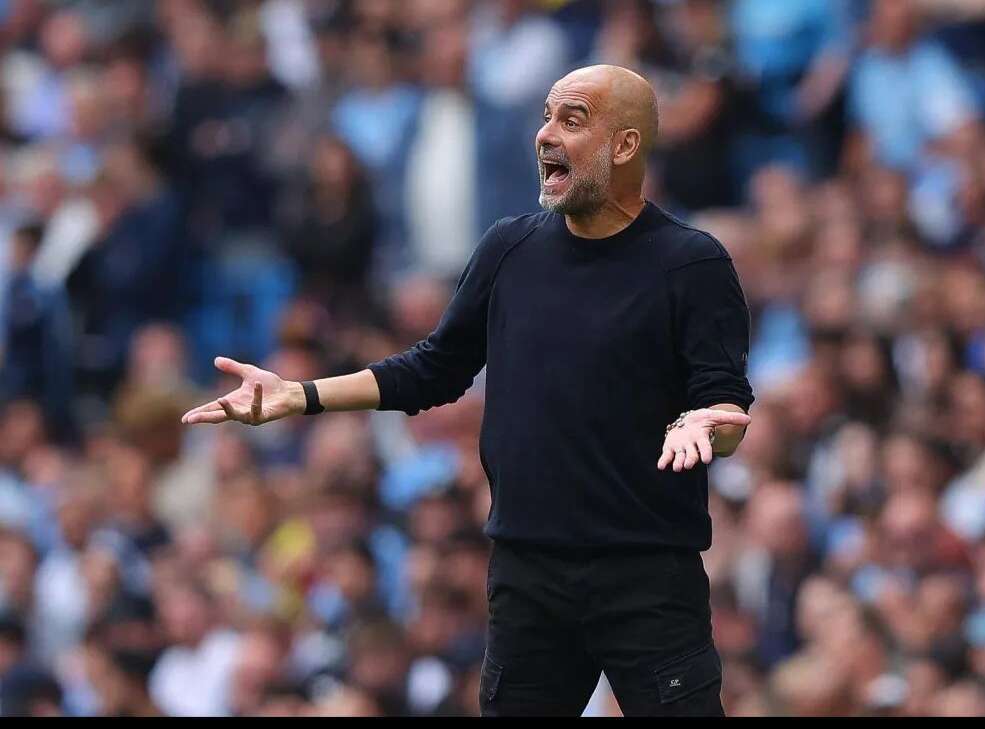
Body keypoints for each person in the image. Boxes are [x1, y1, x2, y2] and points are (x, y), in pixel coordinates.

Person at [181, 65, 754, 717]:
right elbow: (435, 368)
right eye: (545, 117)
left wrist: (704, 423)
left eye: (571, 121)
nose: (545, 135)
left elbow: (725, 402)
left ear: (625, 145)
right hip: (529, 575)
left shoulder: (691, 263)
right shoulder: (509, 249)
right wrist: (301, 395)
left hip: (647, 574)